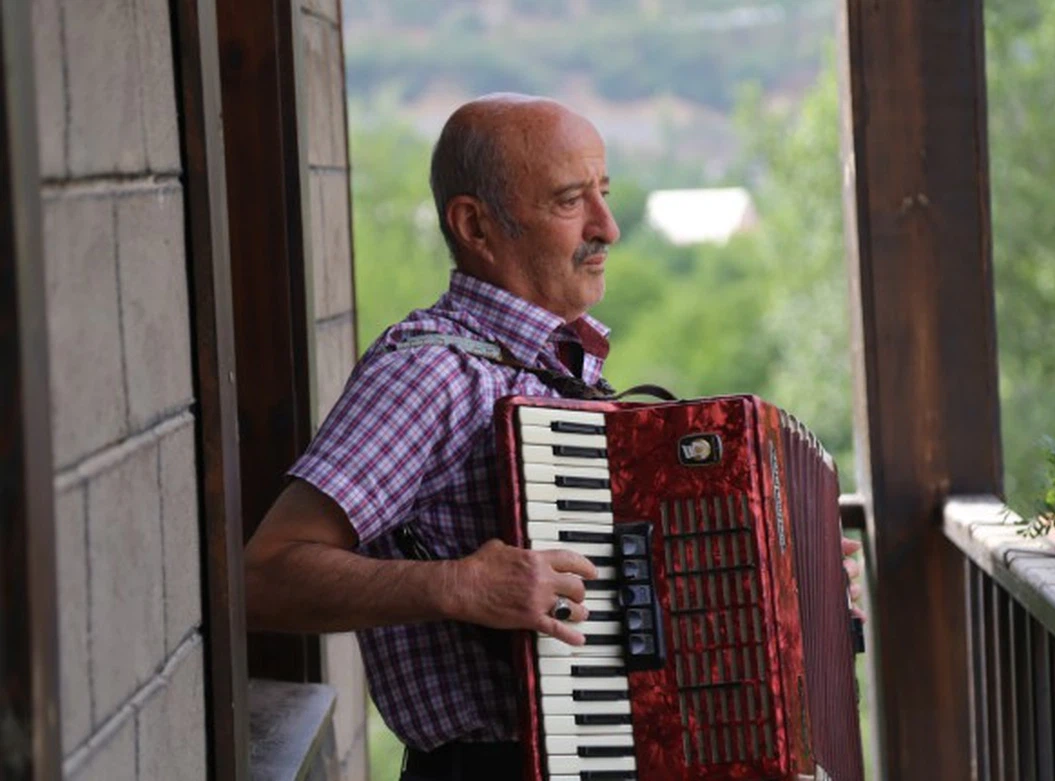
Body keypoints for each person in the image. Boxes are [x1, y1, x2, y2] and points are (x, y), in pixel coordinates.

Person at [243, 93, 864, 781]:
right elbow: (263, 576)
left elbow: (636, 625)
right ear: (476, 225)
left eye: (604, 193)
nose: (608, 227)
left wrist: (788, 588)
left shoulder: (563, 379)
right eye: (572, 200)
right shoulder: (428, 374)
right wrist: (453, 585)